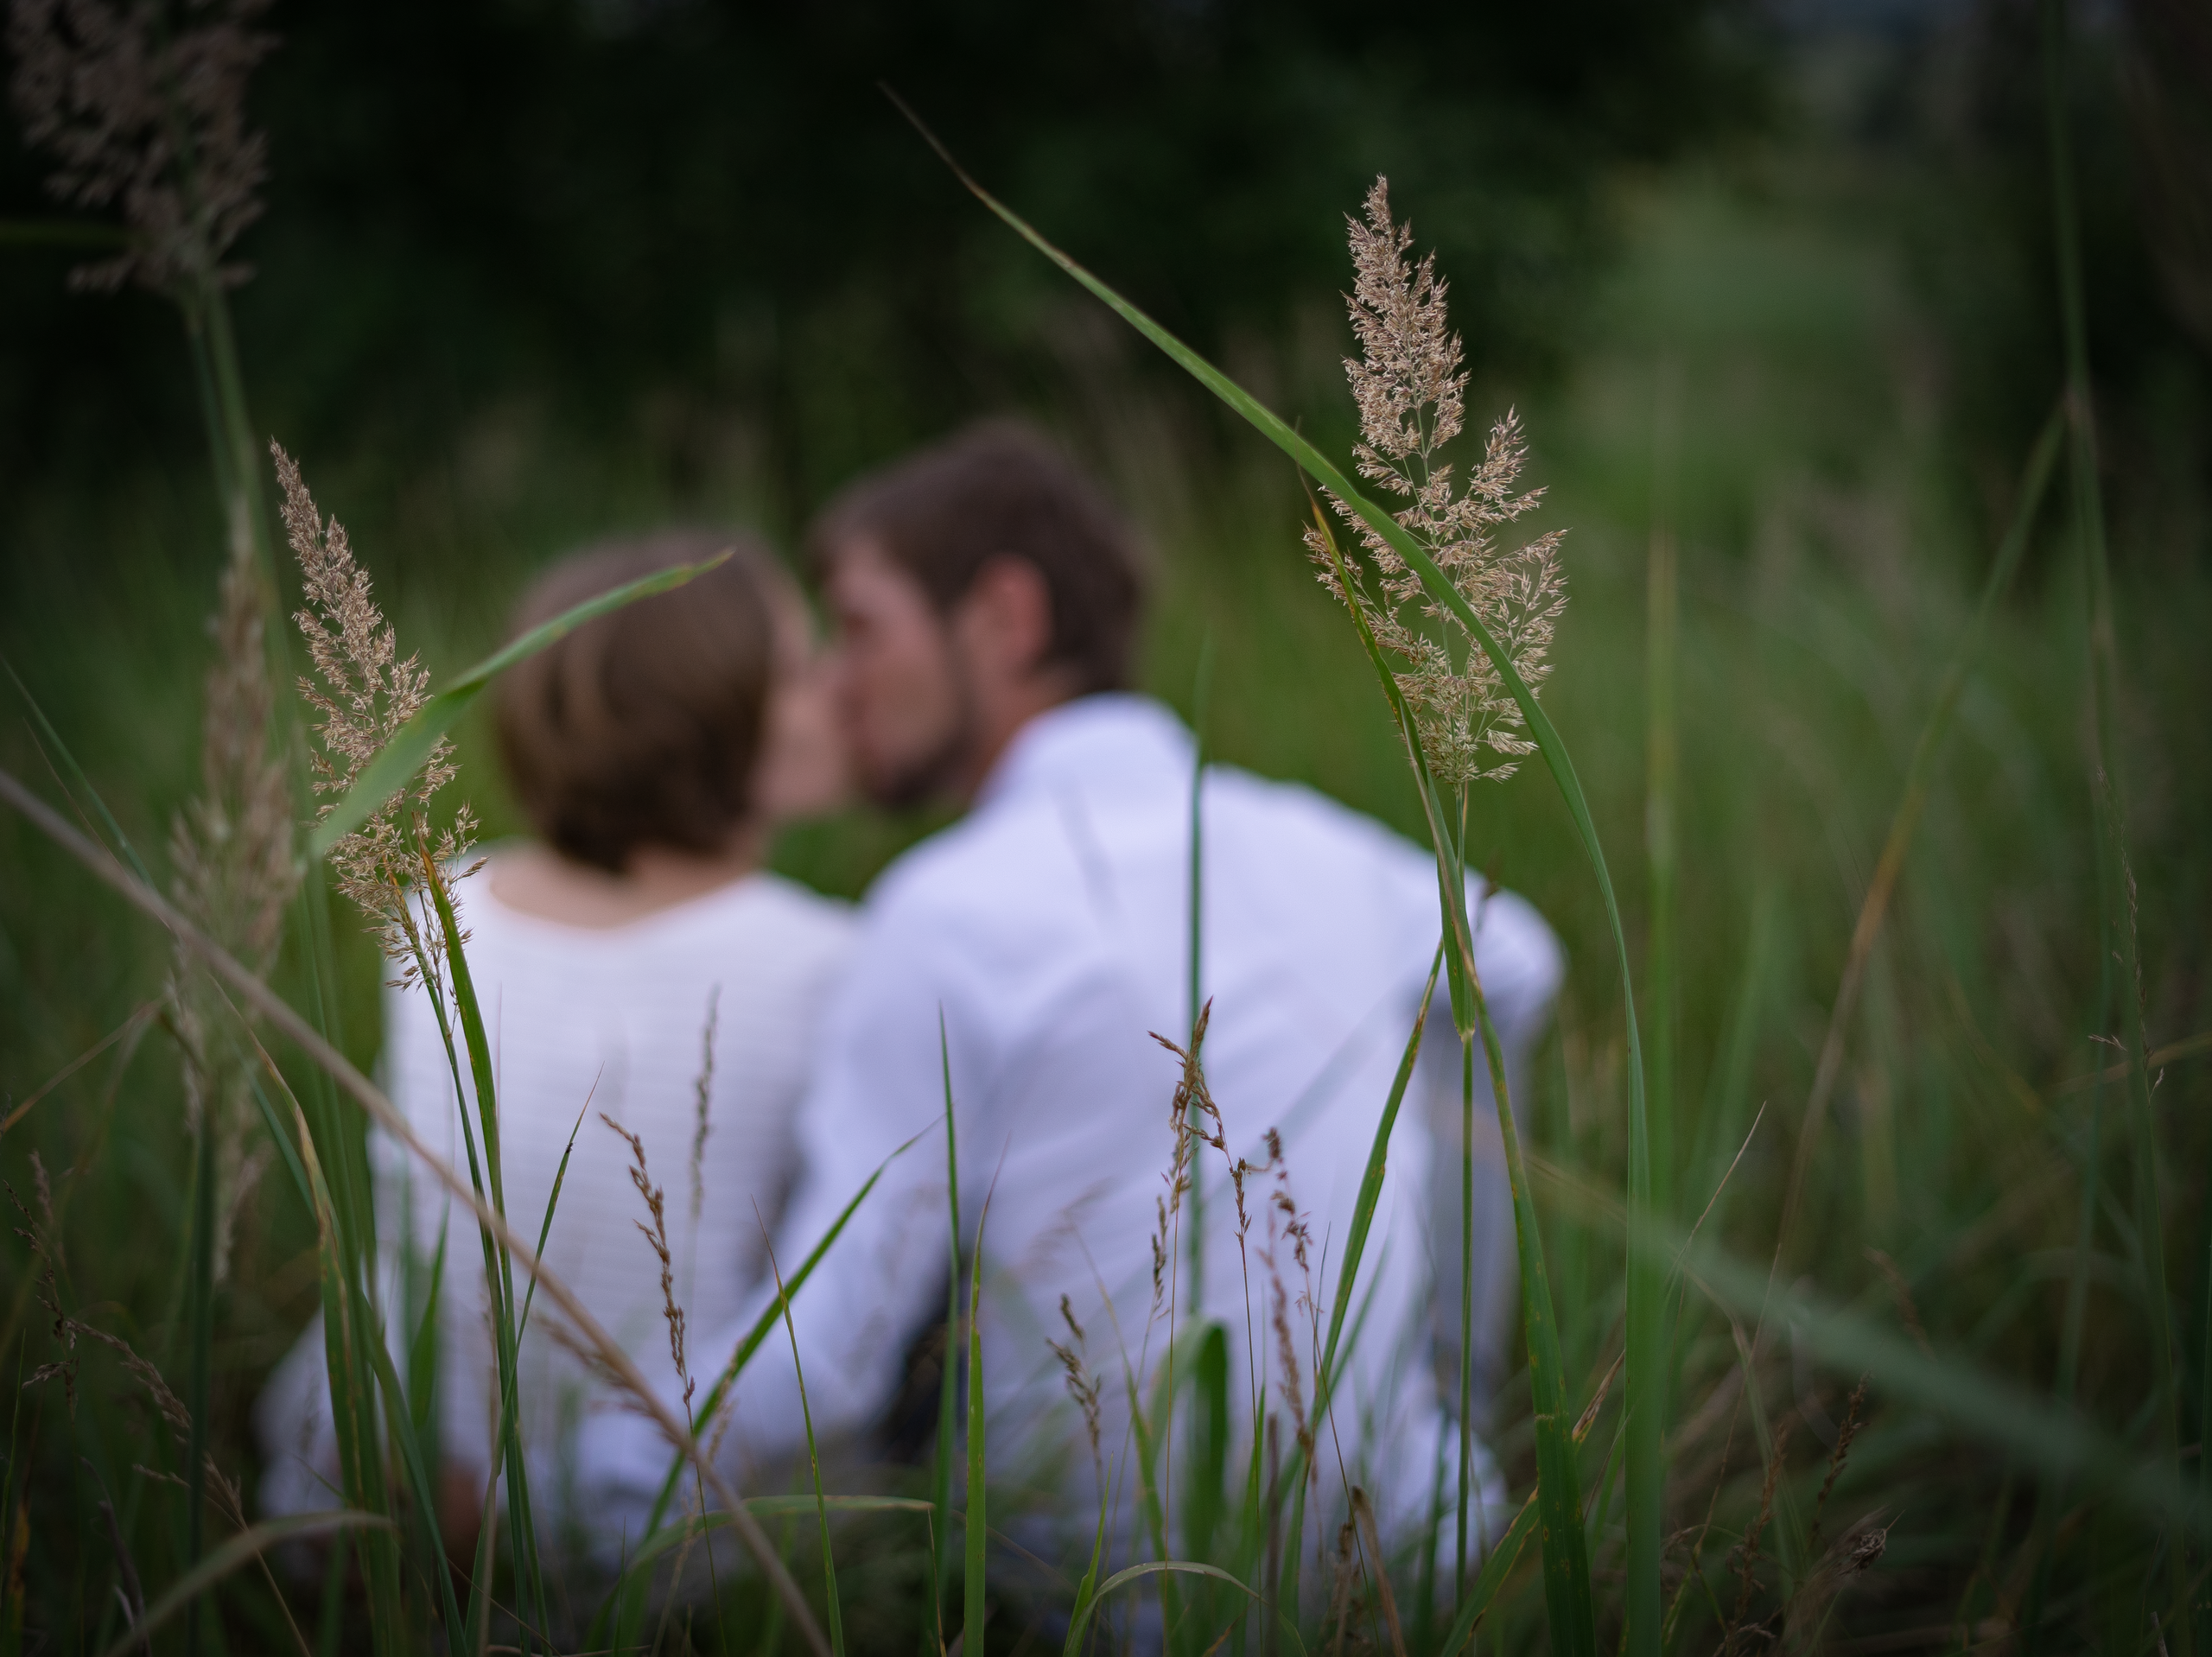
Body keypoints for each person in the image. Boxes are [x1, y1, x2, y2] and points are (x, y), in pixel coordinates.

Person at [583, 422, 1562, 1564]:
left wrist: (543, 1482)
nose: (836, 686)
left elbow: (829, 1360)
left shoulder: (951, 909)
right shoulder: (1324, 846)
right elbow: (1522, 963)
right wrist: (1452, 1376)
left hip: (1109, 1601)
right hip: (1423, 1553)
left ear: (1004, 617)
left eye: (859, 628)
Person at [256, 529, 855, 1545]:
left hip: (375, 1458)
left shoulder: (449, 903)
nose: (835, 689)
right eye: (798, 670)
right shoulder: (828, 963)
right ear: (710, 717)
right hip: (656, 1532)